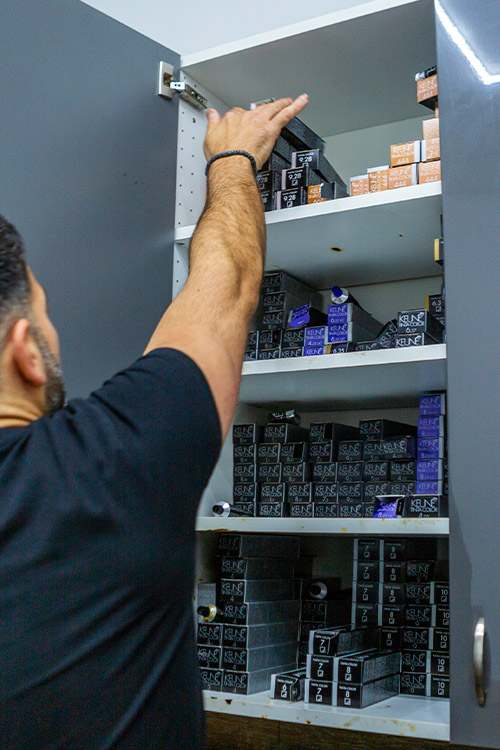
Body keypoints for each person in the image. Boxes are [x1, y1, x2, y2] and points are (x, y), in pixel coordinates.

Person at [0, 94, 308, 748]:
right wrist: (231, 157)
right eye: (47, 316)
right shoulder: (110, 461)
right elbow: (228, 281)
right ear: (25, 350)